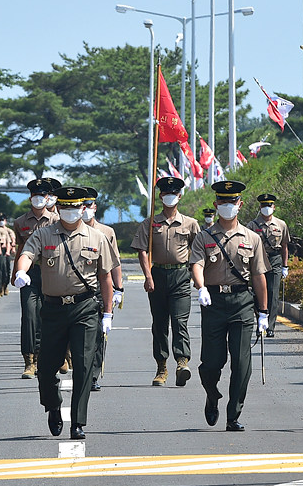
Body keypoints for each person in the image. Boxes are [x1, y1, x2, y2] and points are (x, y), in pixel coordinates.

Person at [13, 186, 118, 440]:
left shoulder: (97, 238)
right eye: (66, 207)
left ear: (83, 208)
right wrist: (21, 272)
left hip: (85, 308)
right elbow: (27, 253)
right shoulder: (44, 234)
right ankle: (53, 405)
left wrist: (107, 313)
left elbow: (106, 278)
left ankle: (78, 422)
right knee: (46, 368)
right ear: (58, 208)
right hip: (53, 309)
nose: (71, 212)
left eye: (76, 207)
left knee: (83, 366)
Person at [189, 180, 269, 432]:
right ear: (215, 204)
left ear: (240, 204)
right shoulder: (204, 237)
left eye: (231, 201)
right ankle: (212, 394)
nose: (227, 206)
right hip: (213, 301)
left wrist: (264, 312)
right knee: (211, 363)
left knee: (242, 362)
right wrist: (201, 287)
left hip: (242, 303)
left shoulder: (252, 238)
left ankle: (233, 414)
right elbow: (197, 265)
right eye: (222, 201)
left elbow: (258, 276)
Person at [131, 177, 200, 387]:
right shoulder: (150, 222)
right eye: (166, 192)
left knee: (180, 322)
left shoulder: (190, 223)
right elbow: (142, 251)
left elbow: (198, 252)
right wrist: (148, 276)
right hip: (158, 275)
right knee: (160, 325)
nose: (170, 196)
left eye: (174, 192)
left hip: (180, 276)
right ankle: (161, 367)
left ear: (179, 196)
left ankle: (182, 362)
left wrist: (198, 278)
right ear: (161, 196)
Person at [11, 178, 60, 378]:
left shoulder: (57, 221)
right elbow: (20, 249)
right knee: (29, 316)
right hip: (29, 273)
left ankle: (53, 355)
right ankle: (29, 360)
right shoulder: (21, 222)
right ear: (30, 197)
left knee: (50, 316)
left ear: (48, 197)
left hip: (51, 272)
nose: (39, 198)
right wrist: (16, 273)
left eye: (42, 195)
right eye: (35, 195)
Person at [81, 187, 123, 392]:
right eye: (82, 206)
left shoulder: (106, 232)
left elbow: (115, 263)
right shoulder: (69, 231)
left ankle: (93, 374)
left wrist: (119, 289)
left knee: (98, 333)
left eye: (89, 206)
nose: (85, 210)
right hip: (78, 289)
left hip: (100, 289)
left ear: (94, 207)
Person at [246, 194, 290, 337]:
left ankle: (270, 326)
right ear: (260, 207)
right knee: (258, 293)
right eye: (264, 205)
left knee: (273, 293)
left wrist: (285, 265)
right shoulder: (252, 225)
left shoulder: (281, 224)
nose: (267, 208)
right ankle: (260, 322)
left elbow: (284, 246)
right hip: (258, 259)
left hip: (275, 259)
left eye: (269, 205)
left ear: (274, 207)